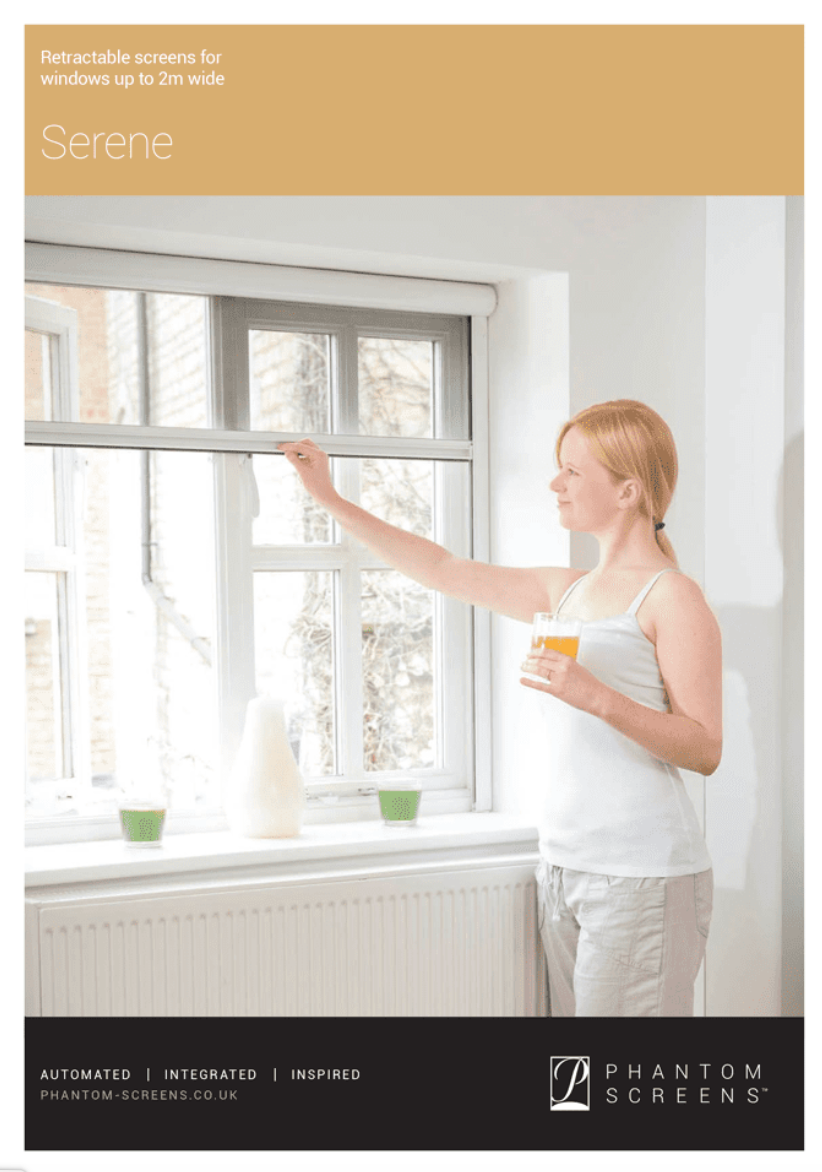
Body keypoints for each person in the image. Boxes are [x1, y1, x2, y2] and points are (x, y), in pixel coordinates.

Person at [279, 398, 721, 1017]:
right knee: (579, 1085)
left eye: (572, 470)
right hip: (565, 865)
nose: (554, 483)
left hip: (643, 872)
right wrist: (328, 499)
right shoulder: (565, 591)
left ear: (627, 491)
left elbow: (704, 748)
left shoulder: (673, 598)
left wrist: (593, 695)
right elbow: (440, 568)